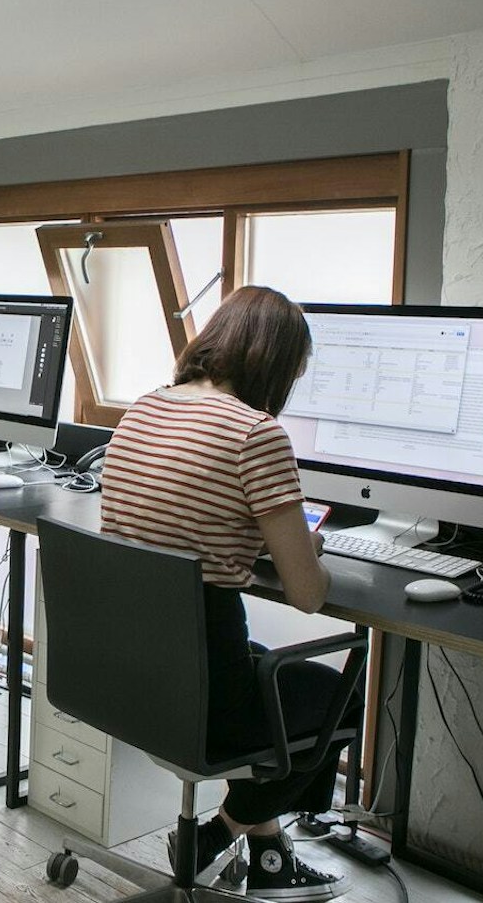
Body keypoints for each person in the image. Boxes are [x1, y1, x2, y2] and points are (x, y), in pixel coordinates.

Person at [98, 285, 359, 902]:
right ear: (275, 364)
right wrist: (309, 549)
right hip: (204, 700)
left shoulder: (143, 409)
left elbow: (179, 519)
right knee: (341, 698)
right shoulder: (256, 434)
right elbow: (307, 595)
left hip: (129, 675)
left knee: (262, 662)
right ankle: (220, 831)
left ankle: (270, 859)